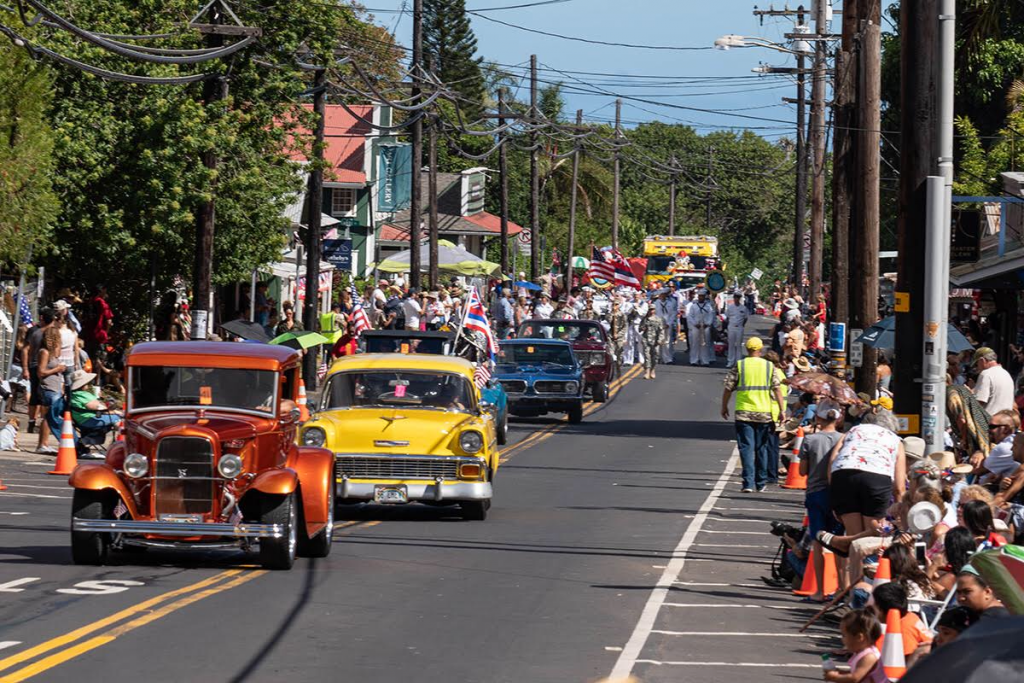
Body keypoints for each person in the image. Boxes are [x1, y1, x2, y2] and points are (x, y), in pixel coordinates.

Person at [818, 411, 907, 585]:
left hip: (843, 475)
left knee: (853, 535)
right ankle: (869, 585)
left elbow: (833, 459)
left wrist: (834, 493)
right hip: (876, 477)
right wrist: (900, 508)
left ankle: (849, 589)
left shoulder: (853, 431)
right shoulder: (894, 439)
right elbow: (899, 485)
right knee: (875, 534)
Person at [721, 337, 787, 493]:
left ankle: (748, 483)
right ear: (760, 349)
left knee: (746, 448)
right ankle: (761, 481)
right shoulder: (769, 367)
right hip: (764, 413)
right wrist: (782, 410)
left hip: (744, 412)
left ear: (747, 349)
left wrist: (724, 406)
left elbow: (728, 387)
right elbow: (777, 389)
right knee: (761, 448)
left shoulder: (740, 365)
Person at [798, 399, 842, 600]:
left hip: (815, 493)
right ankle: (841, 588)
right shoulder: (844, 439)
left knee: (818, 542)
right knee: (840, 543)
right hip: (837, 494)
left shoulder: (810, 440)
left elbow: (802, 470)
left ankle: (819, 590)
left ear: (818, 417)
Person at [870, 582, 933, 666]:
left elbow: (908, 660)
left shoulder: (903, 628)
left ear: (880, 609)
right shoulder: (910, 616)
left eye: (874, 604)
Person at [823, 610, 885, 683]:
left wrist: (835, 677)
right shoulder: (861, 653)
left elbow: (855, 678)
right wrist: (840, 672)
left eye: (844, 635)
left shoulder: (869, 657)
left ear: (859, 637)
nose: (842, 639)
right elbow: (856, 672)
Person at [23, 307, 54, 443]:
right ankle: (34, 423)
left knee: (41, 396)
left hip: (40, 366)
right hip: (41, 367)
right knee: (40, 396)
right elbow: (26, 350)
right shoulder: (37, 332)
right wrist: (26, 368)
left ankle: (39, 423)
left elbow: (25, 350)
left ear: (41, 317)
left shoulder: (42, 331)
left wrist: (26, 368)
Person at [972, 346, 1015, 416]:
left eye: (976, 364)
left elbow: (979, 402)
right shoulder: (1006, 374)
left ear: (982, 360)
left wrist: (970, 393)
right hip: (1006, 420)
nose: (977, 367)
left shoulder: (986, 374)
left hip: (991, 422)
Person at [686, 288, 715, 366]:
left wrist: (707, 323)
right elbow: (690, 316)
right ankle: (694, 360)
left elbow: (711, 316)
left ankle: (705, 360)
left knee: (705, 344)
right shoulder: (693, 306)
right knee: (695, 344)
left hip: (705, 326)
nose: (701, 298)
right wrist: (695, 324)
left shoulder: (708, 306)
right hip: (696, 326)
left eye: (702, 296)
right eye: (700, 296)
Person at [640, 305, 665, 380]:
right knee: (647, 356)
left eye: (653, 309)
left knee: (655, 356)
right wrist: (642, 328)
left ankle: (652, 370)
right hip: (646, 339)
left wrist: (660, 340)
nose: (651, 311)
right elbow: (640, 328)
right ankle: (647, 372)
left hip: (655, 340)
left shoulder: (658, 319)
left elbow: (661, 331)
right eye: (650, 309)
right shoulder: (645, 319)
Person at [724, 291, 748, 368]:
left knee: (738, 345)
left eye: (738, 297)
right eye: (735, 297)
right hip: (731, 326)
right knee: (731, 345)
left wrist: (741, 325)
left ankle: (738, 362)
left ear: (740, 298)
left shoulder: (743, 308)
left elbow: (745, 318)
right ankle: (730, 361)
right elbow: (727, 318)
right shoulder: (730, 307)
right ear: (734, 298)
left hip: (739, 327)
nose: (736, 299)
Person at [654, 289, 679, 364]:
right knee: (658, 341)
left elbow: (673, 313)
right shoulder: (656, 303)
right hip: (659, 323)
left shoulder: (670, 303)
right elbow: (654, 313)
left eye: (664, 294)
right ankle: (658, 357)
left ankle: (667, 358)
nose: (662, 296)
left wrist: (669, 323)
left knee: (667, 341)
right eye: (661, 295)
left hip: (668, 324)